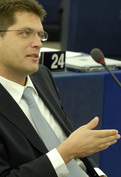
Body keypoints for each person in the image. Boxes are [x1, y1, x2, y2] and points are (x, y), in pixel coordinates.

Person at [0, 0, 120, 177]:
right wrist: (66, 152)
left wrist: (96, 173)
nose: (38, 43)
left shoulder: (41, 76)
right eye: (26, 33)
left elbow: (65, 140)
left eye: (40, 35)